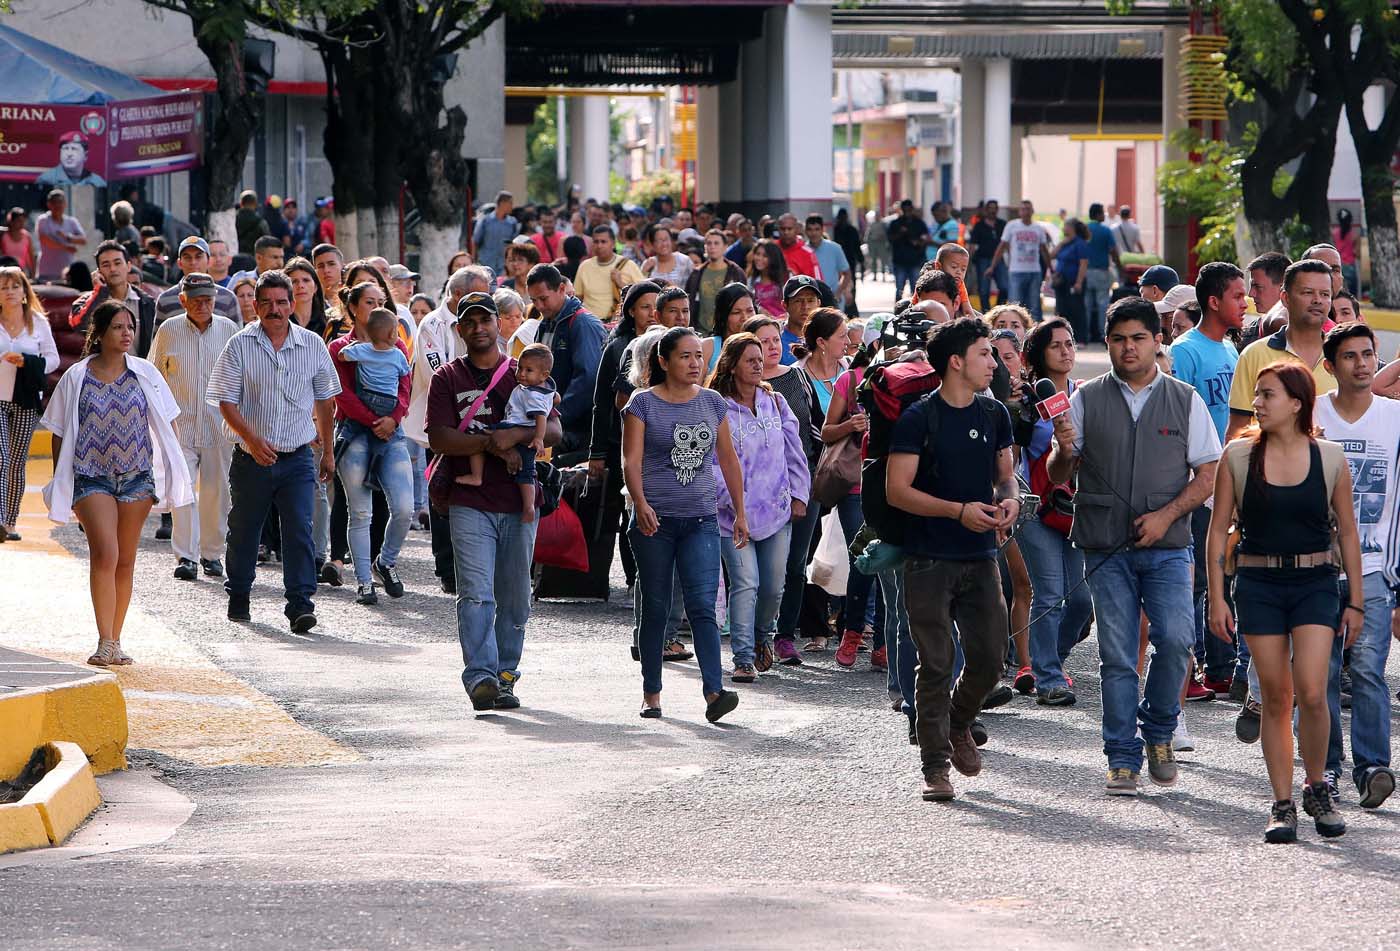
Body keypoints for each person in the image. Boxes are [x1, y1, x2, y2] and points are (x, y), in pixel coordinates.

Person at [1047, 297, 1221, 795]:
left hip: (1168, 545)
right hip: (1104, 546)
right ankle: (1121, 756)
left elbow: (1207, 474)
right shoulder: (1084, 398)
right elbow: (1060, 475)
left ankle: (1160, 730)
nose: (1128, 348)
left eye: (1138, 338)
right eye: (1119, 339)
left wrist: (1166, 514)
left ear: (1156, 340)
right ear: (1108, 344)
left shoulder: (1184, 398)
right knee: (1118, 656)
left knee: (1176, 640)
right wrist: (1062, 447)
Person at [1207, 363, 1359, 842]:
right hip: (1258, 582)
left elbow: (1349, 532)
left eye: (1268, 394)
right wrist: (1216, 597)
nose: (1258, 403)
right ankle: (1282, 802)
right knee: (1276, 695)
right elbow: (1217, 531)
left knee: (1314, 690)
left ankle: (1317, 787)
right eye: (1258, 394)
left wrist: (1355, 600)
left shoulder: (1331, 457)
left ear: (1297, 403)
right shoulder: (1237, 455)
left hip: (1316, 581)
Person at [885, 317, 1018, 802]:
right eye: (985, 352)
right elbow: (897, 491)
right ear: (956, 361)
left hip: (981, 556)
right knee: (937, 662)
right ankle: (934, 767)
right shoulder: (920, 418)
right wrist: (957, 512)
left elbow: (1006, 476)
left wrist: (1010, 501)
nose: (994, 361)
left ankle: (960, 722)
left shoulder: (994, 414)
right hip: (928, 558)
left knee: (988, 659)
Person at [426, 291, 562, 711]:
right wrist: (490, 441)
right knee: (476, 593)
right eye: (471, 321)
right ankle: (480, 677)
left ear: (499, 324)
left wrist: (517, 436)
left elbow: (554, 432)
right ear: (459, 329)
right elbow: (440, 437)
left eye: (487, 320)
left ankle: (505, 676)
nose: (479, 328)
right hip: (470, 500)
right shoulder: (447, 378)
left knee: (517, 595)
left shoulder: (521, 373)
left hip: (520, 501)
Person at [42, 300, 192, 665]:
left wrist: (170, 466)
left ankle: (117, 639)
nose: (127, 334)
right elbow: (59, 430)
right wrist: (64, 477)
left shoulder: (145, 373)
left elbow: (168, 419)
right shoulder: (77, 376)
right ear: (101, 332)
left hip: (137, 477)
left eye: (130, 327)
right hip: (91, 477)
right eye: (118, 327)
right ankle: (104, 640)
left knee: (125, 560)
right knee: (105, 554)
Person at [623, 326, 748, 722]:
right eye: (685, 356)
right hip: (654, 521)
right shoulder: (642, 403)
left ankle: (714, 691)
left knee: (702, 606)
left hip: (701, 520)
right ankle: (651, 692)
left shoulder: (712, 402)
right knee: (657, 608)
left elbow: (727, 459)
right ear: (663, 362)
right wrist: (640, 503)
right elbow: (631, 460)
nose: (695, 364)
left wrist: (740, 512)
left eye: (699, 356)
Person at [206, 271, 340, 633]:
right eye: (266, 303)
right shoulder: (239, 345)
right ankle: (239, 594)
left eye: (282, 302)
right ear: (255, 306)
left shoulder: (312, 344)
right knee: (245, 529)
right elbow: (225, 400)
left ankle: (300, 604)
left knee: (299, 528)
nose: (275, 310)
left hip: (297, 456)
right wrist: (250, 438)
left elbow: (327, 401)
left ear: (292, 305)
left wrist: (327, 451)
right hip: (252, 459)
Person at [1314, 322, 1399, 810]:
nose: (1363, 364)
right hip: (1316, 567)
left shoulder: (1395, 418)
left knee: (1368, 670)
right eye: (1350, 356)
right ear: (1331, 367)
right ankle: (1323, 766)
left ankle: (1372, 769)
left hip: (1373, 568)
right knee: (1319, 672)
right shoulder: (1313, 416)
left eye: (1369, 355)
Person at [709, 332, 809, 680]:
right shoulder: (716, 406)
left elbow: (794, 450)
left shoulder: (775, 401)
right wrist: (732, 503)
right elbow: (712, 462)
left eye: (760, 358)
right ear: (732, 366)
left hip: (777, 510)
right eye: (750, 359)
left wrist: (799, 494)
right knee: (746, 582)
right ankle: (742, 658)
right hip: (731, 516)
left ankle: (763, 637)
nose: (758, 364)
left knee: (773, 586)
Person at [1173, 262, 1248, 699]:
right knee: (1201, 577)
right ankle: (1191, 668)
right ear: (1214, 301)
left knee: (1227, 571)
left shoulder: (1232, 351)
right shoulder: (1186, 350)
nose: (1245, 304)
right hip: (1199, 481)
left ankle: (1221, 666)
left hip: (1232, 478)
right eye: (1238, 296)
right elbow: (1176, 415)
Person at [1016, 317, 1092, 706]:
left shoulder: (1085, 394)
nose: (1066, 351)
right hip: (1035, 509)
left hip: (1076, 508)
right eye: (1056, 345)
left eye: (1070, 343)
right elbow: (1012, 456)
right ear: (1038, 354)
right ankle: (1047, 679)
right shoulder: (1026, 400)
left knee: (1081, 602)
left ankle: (1049, 661)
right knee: (1050, 594)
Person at [148, 273, 240, 582]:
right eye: (197, 299)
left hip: (219, 427)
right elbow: (154, 376)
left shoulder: (229, 330)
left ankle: (212, 554)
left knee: (217, 493)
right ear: (183, 300)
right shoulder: (168, 330)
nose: (203, 305)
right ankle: (186, 556)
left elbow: (240, 377)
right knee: (183, 490)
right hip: (180, 427)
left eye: (208, 299)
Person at [329, 305, 414, 606]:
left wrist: (393, 418)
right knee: (360, 512)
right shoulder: (343, 346)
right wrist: (373, 421)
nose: (376, 306)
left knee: (404, 508)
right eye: (368, 301)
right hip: (355, 431)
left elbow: (406, 388)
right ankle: (364, 582)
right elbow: (342, 393)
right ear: (353, 309)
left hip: (392, 432)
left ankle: (385, 562)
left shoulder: (397, 348)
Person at [1228, 260, 1337, 442]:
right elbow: (1237, 431)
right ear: (1285, 298)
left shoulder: (1342, 356)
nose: (1318, 300)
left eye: (1325, 294)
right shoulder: (1254, 355)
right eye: (1307, 292)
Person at [456, 341, 555, 526]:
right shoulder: (544, 388)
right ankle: (479, 475)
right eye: (520, 368)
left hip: (515, 429)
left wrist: (538, 438)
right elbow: (555, 398)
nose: (522, 374)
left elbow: (541, 417)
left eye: (529, 370)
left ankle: (528, 506)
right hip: (512, 426)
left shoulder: (533, 394)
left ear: (544, 375)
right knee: (477, 440)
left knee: (525, 473)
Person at [0, 267, 59, 540]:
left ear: (24, 291)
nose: (9, 292)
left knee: (16, 462)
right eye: (3, 288)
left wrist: (27, 362)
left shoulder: (37, 322)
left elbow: (54, 359)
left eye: (14, 286)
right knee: (1, 457)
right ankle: (0, 519)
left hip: (25, 399)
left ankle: (10, 522)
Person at [525, 263, 605, 459]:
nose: (540, 307)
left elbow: (587, 380)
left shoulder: (583, 323)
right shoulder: (544, 323)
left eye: (544, 299)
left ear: (561, 289)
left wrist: (556, 417)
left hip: (575, 430)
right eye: (534, 301)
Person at [70, 240, 158, 358]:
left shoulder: (147, 303)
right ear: (98, 272)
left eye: (117, 263)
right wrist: (100, 293)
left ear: (128, 266)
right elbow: (80, 327)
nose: (112, 269)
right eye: (106, 265)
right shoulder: (86, 302)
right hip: (101, 373)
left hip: (140, 373)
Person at [986, 200, 1049, 320]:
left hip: (1034, 272)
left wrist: (1050, 268)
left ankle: (1036, 332)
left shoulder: (1038, 228)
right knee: (1015, 304)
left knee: (1034, 305)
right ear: (1019, 212)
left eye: (1028, 209)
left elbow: (1044, 250)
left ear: (1032, 211)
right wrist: (992, 267)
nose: (1026, 212)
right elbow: (1001, 247)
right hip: (1016, 271)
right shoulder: (1012, 226)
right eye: (1023, 209)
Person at [155, 237, 241, 324]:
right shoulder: (165, 300)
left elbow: (238, 336)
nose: (193, 262)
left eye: (198, 257)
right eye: (187, 257)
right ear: (179, 263)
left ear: (208, 261)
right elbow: (158, 336)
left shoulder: (228, 298)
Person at [574, 224, 643, 319]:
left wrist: (621, 284)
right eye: (596, 242)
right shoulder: (584, 266)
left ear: (613, 243)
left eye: (603, 242)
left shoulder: (628, 265)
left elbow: (643, 295)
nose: (599, 246)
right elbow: (578, 298)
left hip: (618, 325)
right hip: (591, 324)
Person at [685, 228, 747, 335]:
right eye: (709, 243)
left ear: (725, 247)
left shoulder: (736, 272)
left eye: (716, 243)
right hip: (701, 332)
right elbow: (689, 301)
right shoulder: (697, 273)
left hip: (729, 332)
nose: (712, 246)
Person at [1083, 203, 1122, 344]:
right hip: (1101, 271)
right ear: (1099, 214)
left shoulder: (1084, 229)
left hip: (1085, 271)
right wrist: (1120, 268)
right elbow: (1113, 251)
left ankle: (1085, 335)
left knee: (1086, 304)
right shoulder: (1106, 231)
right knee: (1102, 304)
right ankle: (1102, 334)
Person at [701, 283, 757, 373]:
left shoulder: (764, 343)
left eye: (750, 311)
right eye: (736, 312)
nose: (745, 318)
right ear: (723, 316)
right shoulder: (708, 347)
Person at [1051, 218, 1089, 341]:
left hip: (1073, 281)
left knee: (1076, 310)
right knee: (1061, 309)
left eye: (1066, 226)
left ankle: (1080, 337)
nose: (1063, 229)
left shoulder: (1080, 243)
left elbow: (1083, 263)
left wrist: (1079, 282)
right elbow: (1052, 255)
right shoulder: (1065, 243)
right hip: (1061, 281)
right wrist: (1062, 243)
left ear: (1072, 228)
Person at [36, 190, 85, 283]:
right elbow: (45, 240)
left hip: (67, 273)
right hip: (46, 273)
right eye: (54, 202)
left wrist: (68, 237)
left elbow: (83, 240)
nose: (57, 205)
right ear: (49, 204)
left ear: (65, 204)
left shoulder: (72, 221)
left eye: (60, 202)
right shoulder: (43, 220)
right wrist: (65, 247)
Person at [805, 215, 852, 312]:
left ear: (823, 230)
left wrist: (838, 293)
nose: (813, 233)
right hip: (809, 302)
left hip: (833, 301)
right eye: (810, 229)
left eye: (817, 229)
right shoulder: (802, 250)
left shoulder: (835, 248)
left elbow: (846, 273)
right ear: (805, 231)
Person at [968, 200, 1007, 312]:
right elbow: (972, 244)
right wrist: (969, 261)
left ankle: (999, 310)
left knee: (1004, 287)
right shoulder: (979, 225)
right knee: (984, 290)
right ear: (986, 210)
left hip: (999, 260)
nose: (992, 211)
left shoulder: (1002, 224)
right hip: (983, 260)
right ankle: (986, 313)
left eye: (994, 208)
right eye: (990, 208)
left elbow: (1007, 243)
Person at [887, 200, 930, 298]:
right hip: (900, 261)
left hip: (915, 260)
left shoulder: (919, 223)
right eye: (905, 209)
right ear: (901, 209)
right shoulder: (896, 223)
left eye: (909, 209)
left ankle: (915, 311)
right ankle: (898, 310)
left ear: (912, 209)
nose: (907, 212)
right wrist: (900, 233)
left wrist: (916, 242)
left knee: (915, 290)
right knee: (899, 290)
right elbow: (890, 239)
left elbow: (925, 239)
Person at [472, 192, 520, 278]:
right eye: (510, 203)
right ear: (502, 203)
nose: (512, 206)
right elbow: (475, 241)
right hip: (485, 265)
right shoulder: (485, 221)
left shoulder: (512, 222)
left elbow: (514, 245)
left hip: (504, 267)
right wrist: (473, 262)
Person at [779, 274, 822, 367]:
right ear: (785, 305)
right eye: (798, 300)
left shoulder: (826, 337)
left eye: (810, 301)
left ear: (818, 304)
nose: (805, 307)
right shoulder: (775, 340)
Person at [35, 132, 105, 188]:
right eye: (65, 148)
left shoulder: (97, 183)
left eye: (74, 149)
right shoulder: (46, 180)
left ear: (85, 155)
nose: (69, 154)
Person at [747, 238, 789, 319]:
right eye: (757, 254)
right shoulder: (751, 281)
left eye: (765, 256)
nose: (759, 258)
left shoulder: (785, 278)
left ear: (773, 258)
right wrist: (759, 309)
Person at [1, 208, 37, 277]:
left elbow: (31, 258)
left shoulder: (27, 236)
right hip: (5, 273)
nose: (22, 223)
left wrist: (33, 275)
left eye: (23, 221)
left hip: (22, 273)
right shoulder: (3, 236)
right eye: (19, 221)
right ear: (11, 221)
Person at [1333, 209, 1360, 296]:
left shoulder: (1334, 233)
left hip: (1338, 264)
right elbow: (1356, 252)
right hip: (1350, 264)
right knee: (1352, 292)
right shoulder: (1354, 235)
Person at [833, 209, 864, 283]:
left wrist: (861, 260)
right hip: (840, 260)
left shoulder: (851, 230)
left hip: (849, 259)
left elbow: (857, 246)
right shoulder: (835, 230)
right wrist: (861, 261)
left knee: (851, 279)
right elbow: (857, 247)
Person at [235, 190, 269, 256]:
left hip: (235, 256)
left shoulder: (233, 220)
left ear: (241, 203)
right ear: (255, 204)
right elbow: (266, 240)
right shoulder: (260, 221)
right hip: (254, 257)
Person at [864, 209, 890, 282]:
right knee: (873, 260)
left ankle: (883, 275)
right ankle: (874, 275)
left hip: (881, 243)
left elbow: (887, 234)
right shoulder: (872, 224)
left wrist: (886, 242)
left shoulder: (883, 224)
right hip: (873, 243)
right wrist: (867, 242)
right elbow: (868, 234)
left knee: (883, 261)